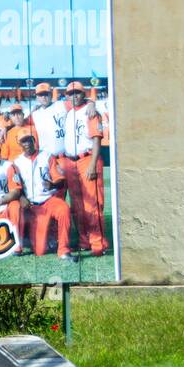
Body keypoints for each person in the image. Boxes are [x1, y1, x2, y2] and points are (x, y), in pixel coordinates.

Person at [58, 81, 108, 256]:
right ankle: (84, 241)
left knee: (93, 204)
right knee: (77, 205)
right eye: (70, 93)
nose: (74, 96)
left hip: (87, 159)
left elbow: (96, 139)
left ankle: (98, 244)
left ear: (83, 93)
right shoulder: (69, 112)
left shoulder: (91, 112)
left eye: (77, 92)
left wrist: (93, 164)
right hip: (71, 161)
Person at [11, 128, 74, 259]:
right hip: (32, 206)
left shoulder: (47, 156)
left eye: (29, 140)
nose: (27, 144)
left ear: (34, 141)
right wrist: (22, 197)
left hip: (49, 201)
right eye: (23, 141)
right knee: (39, 251)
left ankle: (63, 250)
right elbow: (15, 187)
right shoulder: (16, 163)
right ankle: (45, 240)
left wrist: (53, 184)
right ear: (20, 144)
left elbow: (61, 181)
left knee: (64, 209)